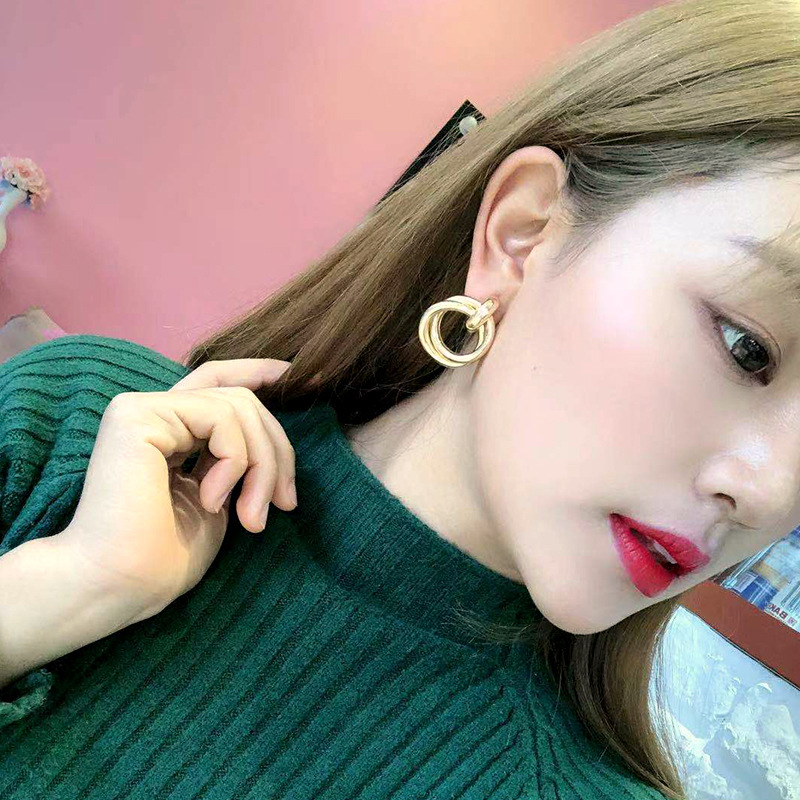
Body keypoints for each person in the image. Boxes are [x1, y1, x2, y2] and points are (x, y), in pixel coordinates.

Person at [1, 0, 799, 797]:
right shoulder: (72, 431)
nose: (769, 495)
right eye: (747, 347)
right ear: (523, 234)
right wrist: (64, 591)